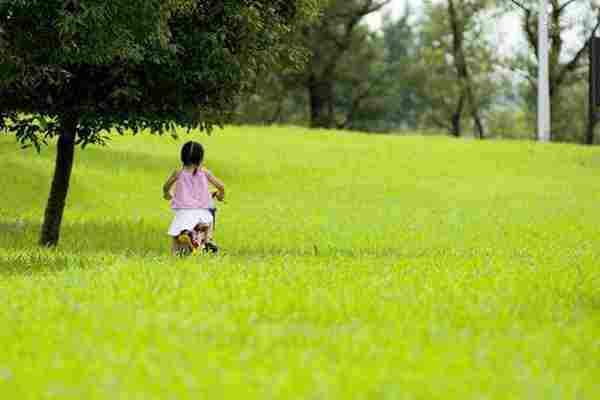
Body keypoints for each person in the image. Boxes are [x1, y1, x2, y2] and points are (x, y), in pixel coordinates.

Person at [163, 141, 225, 255]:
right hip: (201, 212)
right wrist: (220, 196)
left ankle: (176, 254)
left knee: (175, 240)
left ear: (182, 157)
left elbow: (166, 187)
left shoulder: (178, 173)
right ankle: (207, 240)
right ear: (201, 159)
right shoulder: (205, 172)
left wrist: (167, 194)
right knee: (210, 216)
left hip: (182, 213)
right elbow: (221, 187)